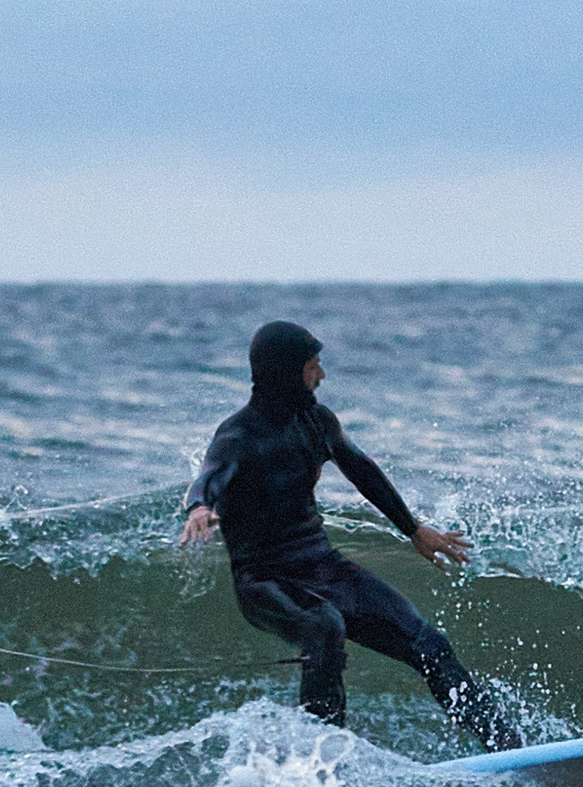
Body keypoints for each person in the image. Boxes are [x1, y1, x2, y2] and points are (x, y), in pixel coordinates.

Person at [180, 321, 523, 749]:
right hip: (265, 581)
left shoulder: (317, 421)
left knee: (428, 643)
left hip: (324, 569)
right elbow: (209, 476)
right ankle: (323, 767)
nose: (320, 375)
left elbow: (362, 470)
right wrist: (199, 507)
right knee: (323, 626)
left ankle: (507, 745)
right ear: (288, 371)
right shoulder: (238, 435)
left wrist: (413, 529)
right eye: (312, 365)